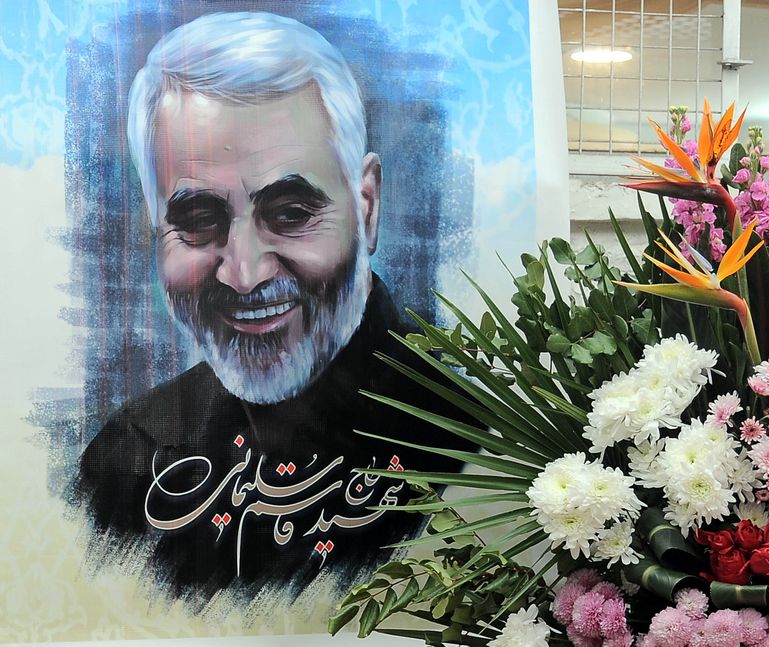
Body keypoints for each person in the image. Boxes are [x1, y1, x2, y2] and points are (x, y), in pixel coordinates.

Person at [75, 11, 473, 603]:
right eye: (197, 220)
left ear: (366, 207)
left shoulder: (471, 442)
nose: (245, 274)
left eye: (291, 213)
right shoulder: (128, 459)